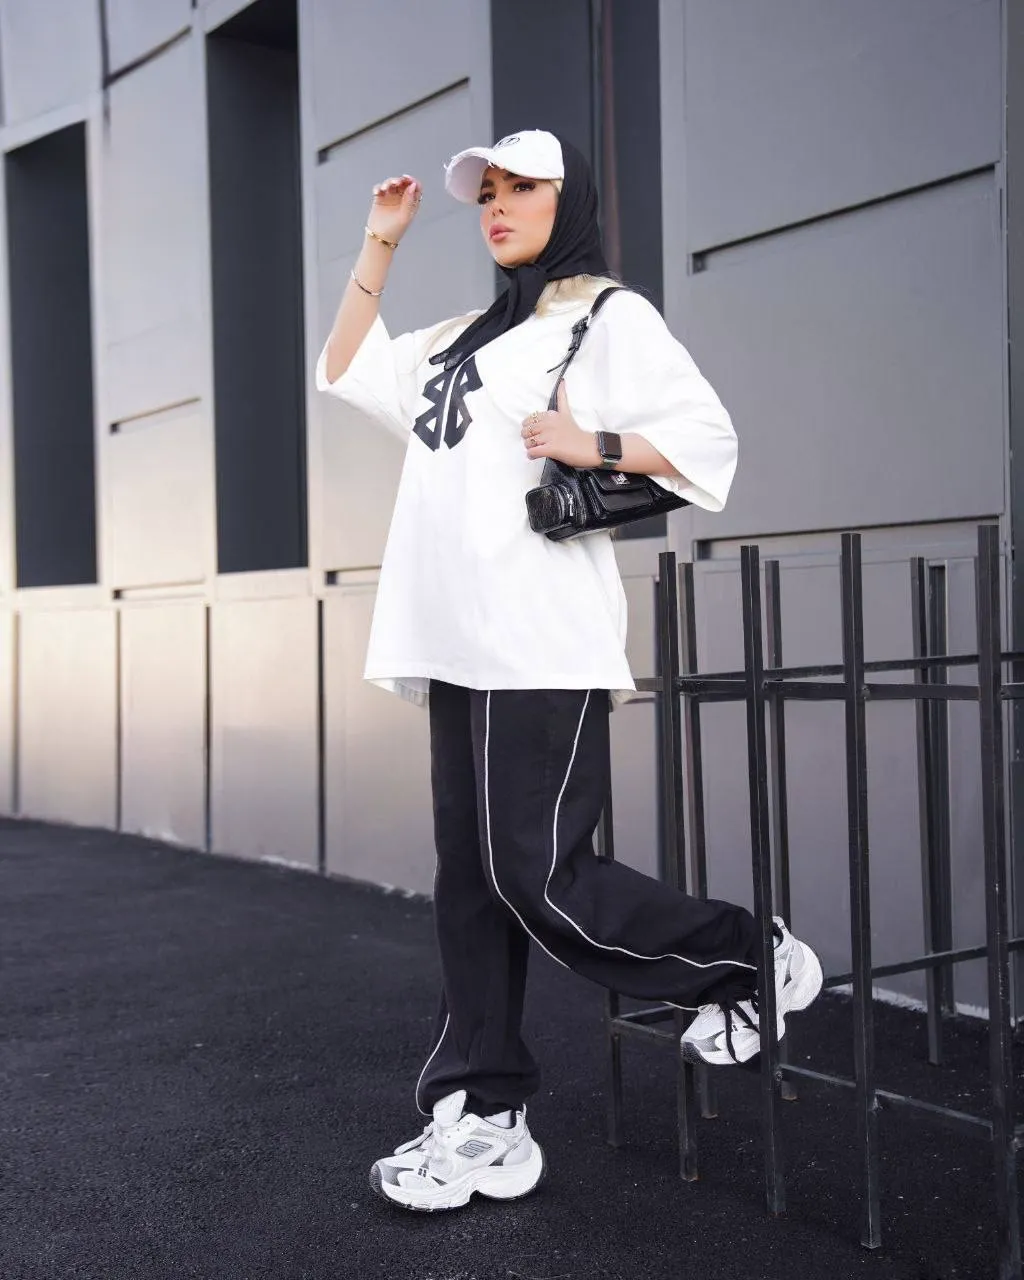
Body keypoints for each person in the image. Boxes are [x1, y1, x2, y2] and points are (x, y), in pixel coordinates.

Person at [316, 129, 823, 1213]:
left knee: (535, 874)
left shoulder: (605, 316)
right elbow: (348, 368)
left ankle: (747, 958)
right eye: (486, 193)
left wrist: (595, 443)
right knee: (470, 885)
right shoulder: (462, 335)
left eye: (521, 187)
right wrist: (380, 241)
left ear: (569, 199)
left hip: (538, 635)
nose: (497, 205)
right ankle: (483, 1112)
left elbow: (708, 440)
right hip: (449, 635)